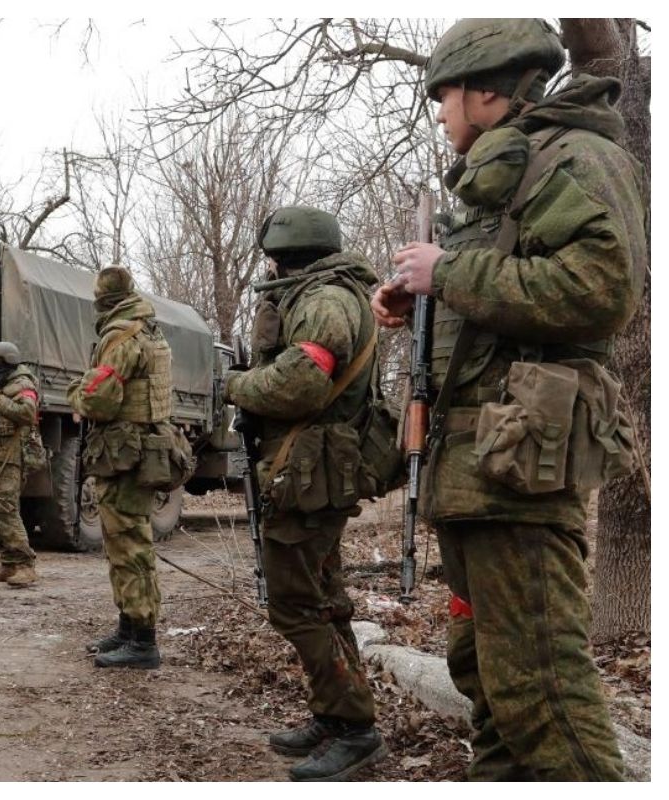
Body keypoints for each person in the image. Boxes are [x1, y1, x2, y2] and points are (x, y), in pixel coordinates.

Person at [372, 18, 645, 781]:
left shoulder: (578, 157)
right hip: (478, 473)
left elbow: (601, 291)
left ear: (487, 89)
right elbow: (498, 306)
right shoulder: (506, 177)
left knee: (542, 691)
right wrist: (413, 297)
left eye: (445, 95)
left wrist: (448, 275)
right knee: (487, 678)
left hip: (519, 474)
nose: (439, 112)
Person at [222, 207, 386, 781]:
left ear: (287, 254)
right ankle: (338, 714)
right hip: (306, 471)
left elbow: (300, 381)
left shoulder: (324, 301)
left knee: (295, 601)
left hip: (310, 475)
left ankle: (356, 726)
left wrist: (237, 385)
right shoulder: (322, 294)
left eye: (273, 254)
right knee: (323, 598)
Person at [68, 265, 170, 669]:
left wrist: (77, 393)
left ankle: (143, 641)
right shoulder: (148, 329)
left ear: (102, 300)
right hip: (139, 448)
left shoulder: (121, 335)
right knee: (124, 541)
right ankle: (129, 628)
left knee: (129, 544)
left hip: (125, 453)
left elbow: (99, 399)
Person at [0, 341, 41, 588]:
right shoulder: (3, 385)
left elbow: (27, 413)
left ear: (7, 362)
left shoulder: (22, 384)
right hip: (0, 451)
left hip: (14, 454)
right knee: (0, 507)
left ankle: (25, 565)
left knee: (7, 507)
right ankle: (9, 562)